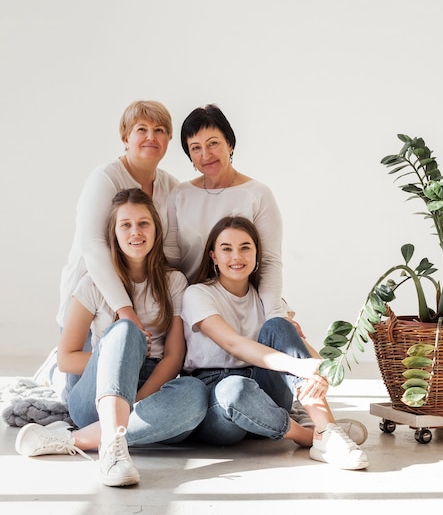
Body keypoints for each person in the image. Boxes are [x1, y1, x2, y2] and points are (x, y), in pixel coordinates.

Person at [16, 189, 209, 487]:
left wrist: (137, 402)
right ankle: (113, 452)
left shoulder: (174, 282)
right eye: (126, 225)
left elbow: (173, 357)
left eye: (144, 223)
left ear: (157, 230)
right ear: (114, 233)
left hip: (150, 384)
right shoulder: (93, 283)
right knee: (126, 330)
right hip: (95, 393)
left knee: (195, 394)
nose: (136, 232)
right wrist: (117, 360)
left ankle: (75, 438)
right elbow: (67, 357)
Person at [181, 215, 369, 470]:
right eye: (227, 249)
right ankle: (309, 437)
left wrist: (320, 370)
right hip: (219, 400)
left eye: (245, 248)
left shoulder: (268, 299)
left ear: (257, 253)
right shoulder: (198, 294)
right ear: (213, 256)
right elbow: (233, 344)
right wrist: (300, 367)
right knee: (234, 389)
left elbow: (295, 343)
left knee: (279, 325)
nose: (237, 257)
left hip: (266, 388)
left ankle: (327, 429)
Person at [58, 100, 179, 332]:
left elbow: (172, 251)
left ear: (168, 140)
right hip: (93, 306)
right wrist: (126, 312)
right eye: (141, 129)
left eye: (159, 130)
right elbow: (92, 246)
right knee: (83, 365)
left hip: (146, 306)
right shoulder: (105, 178)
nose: (151, 137)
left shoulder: (172, 187)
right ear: (125, 139)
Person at [164, 104, 286, 321]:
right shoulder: (180, 195)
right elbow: (171, 261)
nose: (205, 155)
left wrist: (274, 316)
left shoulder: (257, 194)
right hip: (194, 306)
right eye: (195, 148)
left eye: (213, 143)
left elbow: (269, 262)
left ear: (229, 143)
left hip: (245, 305)